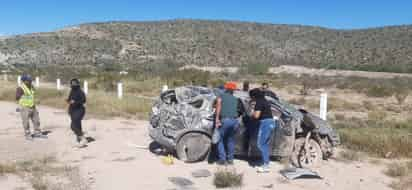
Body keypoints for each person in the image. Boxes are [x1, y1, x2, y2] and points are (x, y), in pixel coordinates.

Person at [249, 88, 277, 173]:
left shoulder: (259, 102)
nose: (251, 98)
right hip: (270, 123)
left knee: (261, 144)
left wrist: (252, 112)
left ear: (254, 96)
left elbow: (257, 116)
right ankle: (265, 162)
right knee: (265, 144)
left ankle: (266, 166)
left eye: (251, 97)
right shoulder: (264, 101)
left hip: (265, 123)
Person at [215, 82, 240, 165]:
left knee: (220, 139)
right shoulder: (235, 99)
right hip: (235, 121)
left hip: (225, 120)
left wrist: (217, 119)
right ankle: (230, 159)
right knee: (231, 140)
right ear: (233, 90)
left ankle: (222, 159)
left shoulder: (221, 96)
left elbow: (218, 106)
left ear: (226, 89)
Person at [16, 74, 46, 140]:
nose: (30, 81)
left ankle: (37, 133)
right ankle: (27, 134)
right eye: (28, 80)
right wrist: (19, 106)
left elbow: (32, 94)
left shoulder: (31, 86)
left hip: (33, 106)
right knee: (26, 122)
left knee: (36, 120)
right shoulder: (20, 88)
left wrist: (36, 100)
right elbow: (17, 98)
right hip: (25, 107)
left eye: (30, 80)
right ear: (24, 81)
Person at [66, 78, 87, 148]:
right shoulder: (72, 91)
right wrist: (68, 101)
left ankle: (82, 139)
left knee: (73, 126)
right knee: (77, 125)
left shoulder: (80, 92)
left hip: (80, 110)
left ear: (77, 84)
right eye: (72, 83)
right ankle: (79, 138)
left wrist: (75, 102)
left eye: (74, 83)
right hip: (72, 110)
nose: (73, 85)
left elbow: (83, 101)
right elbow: (69, 99)